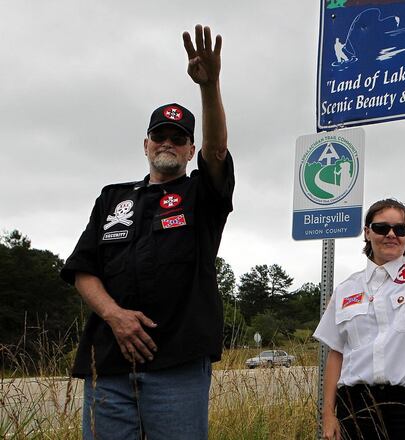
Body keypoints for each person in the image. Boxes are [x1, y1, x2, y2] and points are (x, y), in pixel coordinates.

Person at [60, 25, 232, 440]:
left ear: (191, 149)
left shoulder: (200, 196)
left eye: (179, 137)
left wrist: (210, 88)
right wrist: (114, 315)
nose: (168, 142)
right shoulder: (112, 199)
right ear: (146, 144)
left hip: (177, 370)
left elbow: (217, 151)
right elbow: (84, 270)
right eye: (160, 135)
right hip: (109, 371)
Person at [314, 129, 405, 440]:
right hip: (356, 407)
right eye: (382, 227)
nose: (391, 234)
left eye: (400, 229)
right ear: (367, 232)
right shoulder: (347, 289)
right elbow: (336, 353)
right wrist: (328, 414)